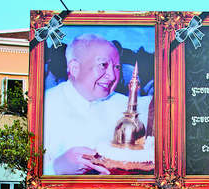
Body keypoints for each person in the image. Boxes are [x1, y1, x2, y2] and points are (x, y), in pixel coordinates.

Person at [43, 33, 151, 175]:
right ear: (74, 68)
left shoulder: (126, 106)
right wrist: (57, 168)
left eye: (117, 67)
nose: (112, 76)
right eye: (103, 65)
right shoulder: (45, 105)